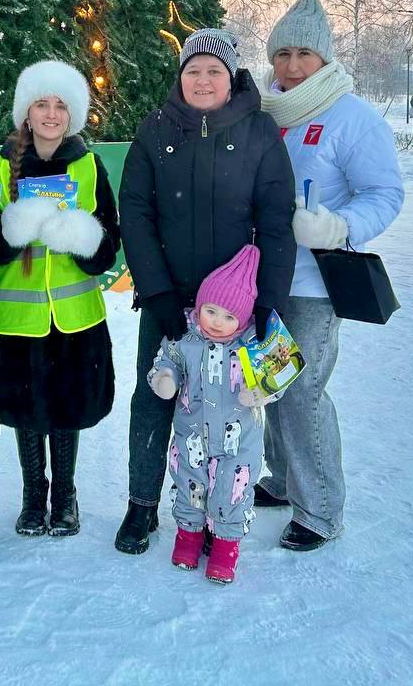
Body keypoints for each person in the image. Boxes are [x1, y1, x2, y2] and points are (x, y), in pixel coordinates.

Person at [116, 28, 296, 555]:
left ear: (231, 77)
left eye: (214, 70)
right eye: (192, 70)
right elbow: (136, 214)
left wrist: (268, 301)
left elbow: (277, 218)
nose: (202, 80)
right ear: (180, 77)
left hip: (237, 309)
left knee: (237, 404)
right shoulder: (155, 131)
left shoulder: (259, 131)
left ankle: (225, 508)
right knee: (155, 394)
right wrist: (156, 292)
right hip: (169, 299)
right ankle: (141, 504)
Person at [256, 0, 404, 550]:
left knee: (303, 392)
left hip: (313, 286)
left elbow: (385, 194)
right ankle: (281, 479)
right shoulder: (268, 114)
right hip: (264, 279)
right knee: (271, 382)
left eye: (304, 54)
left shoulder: (351, 117)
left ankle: (319, 509)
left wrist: (338, 227)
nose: (292, 66)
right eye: (283, 54)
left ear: (325, 58)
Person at [0, 61, 120, 538]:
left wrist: (81, 237)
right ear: (26, 111)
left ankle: (64, 496)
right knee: (26, 410)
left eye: (61, 105)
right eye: (41, 103)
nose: (51, 113)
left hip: (74, 317)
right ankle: (32, 496)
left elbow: (109, 246)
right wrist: (12, 232)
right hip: (17, 318)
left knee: (66, 408)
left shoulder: (88, 165)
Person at [147, 246, 264, 584]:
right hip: (192, 435)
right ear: (200, 306)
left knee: (231, 490)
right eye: (211, 311)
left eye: (229, 317)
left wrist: (261, 391)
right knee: (190, 483)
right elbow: (167, 361)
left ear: (242, 319)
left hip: (238, 440)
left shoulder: (252, 343)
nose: (217, 322)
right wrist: (164, 378)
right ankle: (189, 537)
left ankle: (226, 548)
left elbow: (277, 376)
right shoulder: (185, 337)